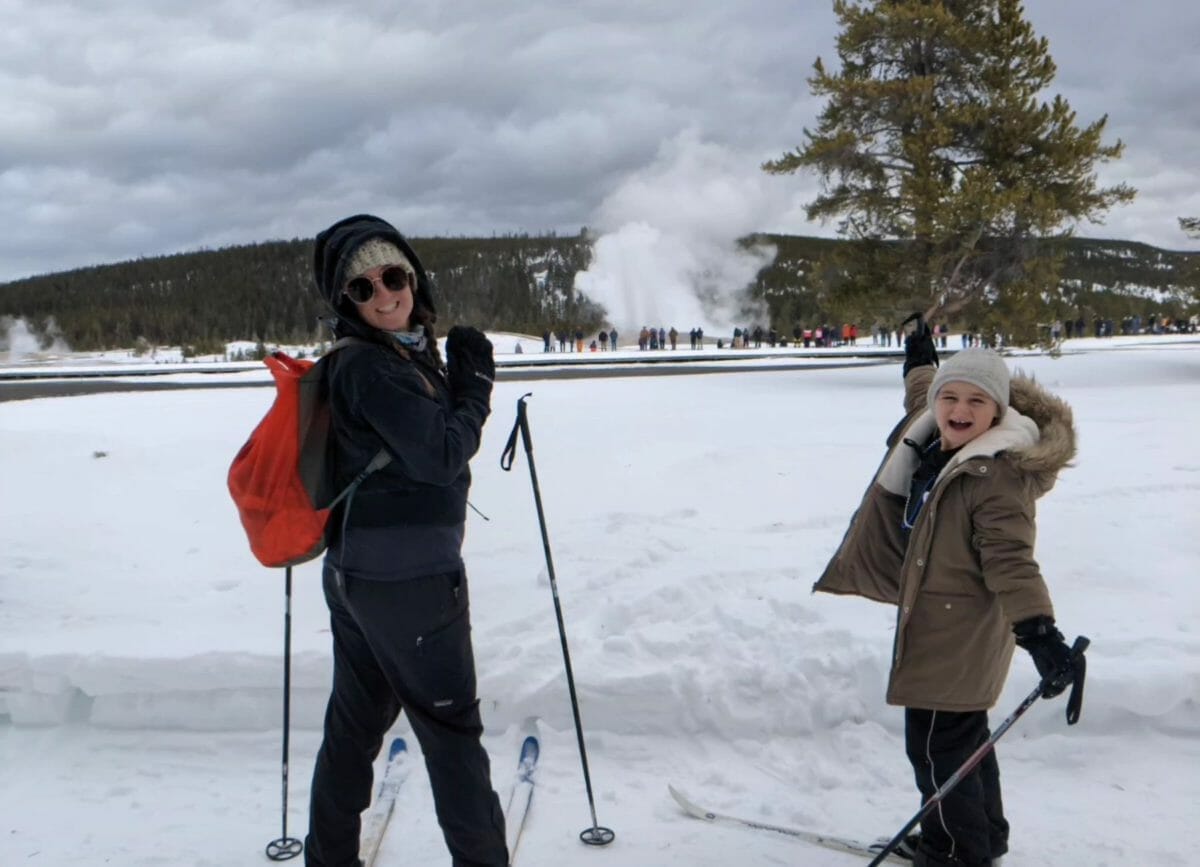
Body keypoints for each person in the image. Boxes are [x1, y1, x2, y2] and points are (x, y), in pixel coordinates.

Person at [814, 319, 1083, 867]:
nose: (959, 409)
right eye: (951, 398)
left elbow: (1011, 561)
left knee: (937, 751)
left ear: (999, 413)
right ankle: (985, 836)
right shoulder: (932, 432)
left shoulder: (994, 478)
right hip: (939, 620)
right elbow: (924, 392)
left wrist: (1039, 633)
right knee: (964, 741)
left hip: (955, 634)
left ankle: (955, 852)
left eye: (976, 402)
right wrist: (919, 361)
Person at [306, 214, 507, 867]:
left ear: (414, 276)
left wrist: (447, 372)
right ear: (347, 303)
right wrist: (474, 378)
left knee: (355, 724)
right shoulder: (372, 368)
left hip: (360, 572)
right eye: (363, 288)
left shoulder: (388, 354)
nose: (384, 293)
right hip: (410, 585)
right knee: (451, 733)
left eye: (393, 275)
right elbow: (443, 452)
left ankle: (329, 856)